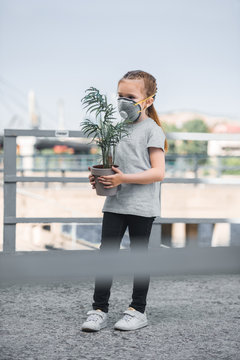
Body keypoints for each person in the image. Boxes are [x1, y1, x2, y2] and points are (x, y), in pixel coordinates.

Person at [81, 70, 168, 332]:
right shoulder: (115, 129)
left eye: (130, 96)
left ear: (148, 100)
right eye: (120, 96)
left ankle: (137, 310)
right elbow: (114, 165)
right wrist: (100, 175)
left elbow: (158, 172)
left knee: (139, 257)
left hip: (142, 207)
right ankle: (98, 309)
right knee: (105, 255)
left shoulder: (152, 130)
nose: (123, 101)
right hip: (115, 203)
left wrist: (123, 179)